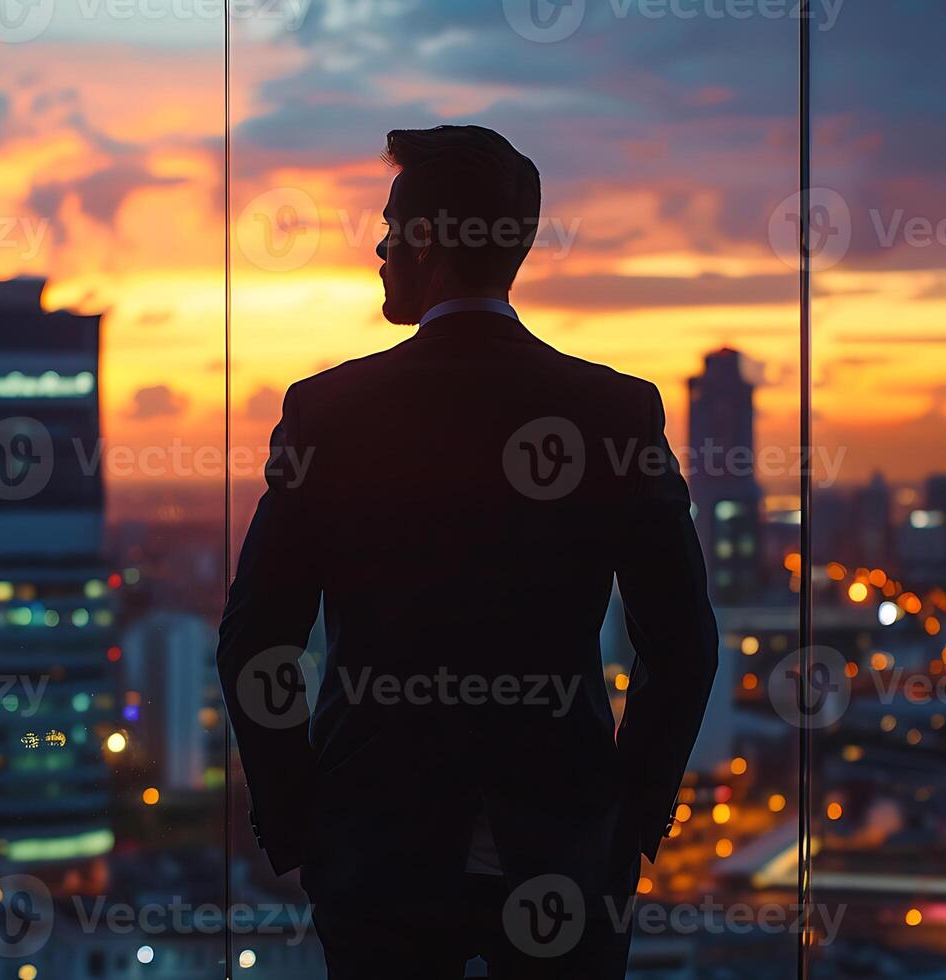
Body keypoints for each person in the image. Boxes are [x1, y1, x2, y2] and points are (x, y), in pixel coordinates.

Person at [216, 124, 718, 979]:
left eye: (386, 227)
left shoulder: (330, 412)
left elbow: (255, 641)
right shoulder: (614, 411)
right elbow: (681, 643)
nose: (376, 249)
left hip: (378, 846)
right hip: (564, 842)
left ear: (422, 241)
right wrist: (627, 820)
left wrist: (300, 822)